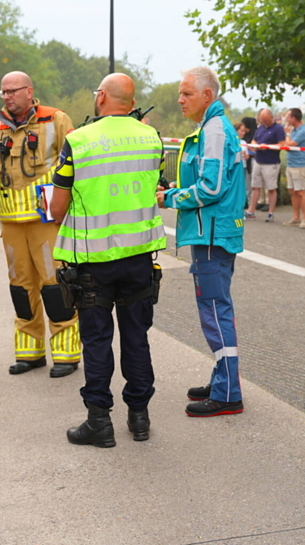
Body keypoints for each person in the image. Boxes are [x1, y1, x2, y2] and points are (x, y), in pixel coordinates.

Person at [49, 74, 166, 446]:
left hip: (93, 262)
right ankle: (140, 417)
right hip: (139, 257)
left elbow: (57, 209)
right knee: (137, 338)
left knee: (97, 341)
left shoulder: (78, 140)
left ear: (100, 97)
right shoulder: (152, 138)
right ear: (132, 103)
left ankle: (99, 422)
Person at [0, 72, 81, 378]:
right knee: (21, 289)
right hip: (11, 224)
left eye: (13, 91)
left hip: (47, 220)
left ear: (29, 91)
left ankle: (66, 353)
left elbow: (78, 161)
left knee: (56, 286)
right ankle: (30, 352)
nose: (7, 97)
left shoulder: (56, 120)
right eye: (3, 92)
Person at [159, 66, 247, 417]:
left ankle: (228, 394)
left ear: (207, 96)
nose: (180, 100)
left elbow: (210, 188)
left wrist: (170, 198)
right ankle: (222, 379)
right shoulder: (213, 127)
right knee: (215, 308)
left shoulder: (213, 131)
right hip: (214, 232)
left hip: (212, 233)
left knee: (214, 310)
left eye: (186, 94)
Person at [245, 108, 285, 222]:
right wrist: (255, 145)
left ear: (271, 118)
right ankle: (251, 211)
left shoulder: (278, 129)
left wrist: (266, 146)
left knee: (271, 188)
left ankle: (271, 212)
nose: (264, 123)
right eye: (262, 121)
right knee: (255, 187)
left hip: (271, 163)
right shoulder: (260, 128)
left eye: (266, 121)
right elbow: (254, 140)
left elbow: (282, 144)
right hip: (258, 160)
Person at [281, 108, 305, 229]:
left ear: (293, 118)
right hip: (290, 164)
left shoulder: (303, 130)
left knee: (301, 192)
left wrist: (287, 134)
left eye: (288, 117)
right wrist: (288, 136)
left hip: (300, 165)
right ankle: (295, 217)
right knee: (292, 191)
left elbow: (290, 143)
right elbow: (285, 143)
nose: (287, 119)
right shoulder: (293, 130)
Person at [235, 116, 257, 209]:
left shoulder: (244, 142)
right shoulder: (232, 141)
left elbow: (247, 156)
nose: (243, 133)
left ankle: (244, 202)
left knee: (244, 185)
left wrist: (246, 154)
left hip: (243, 166)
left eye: (244, 131)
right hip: (234, 166)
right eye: (241, 131)